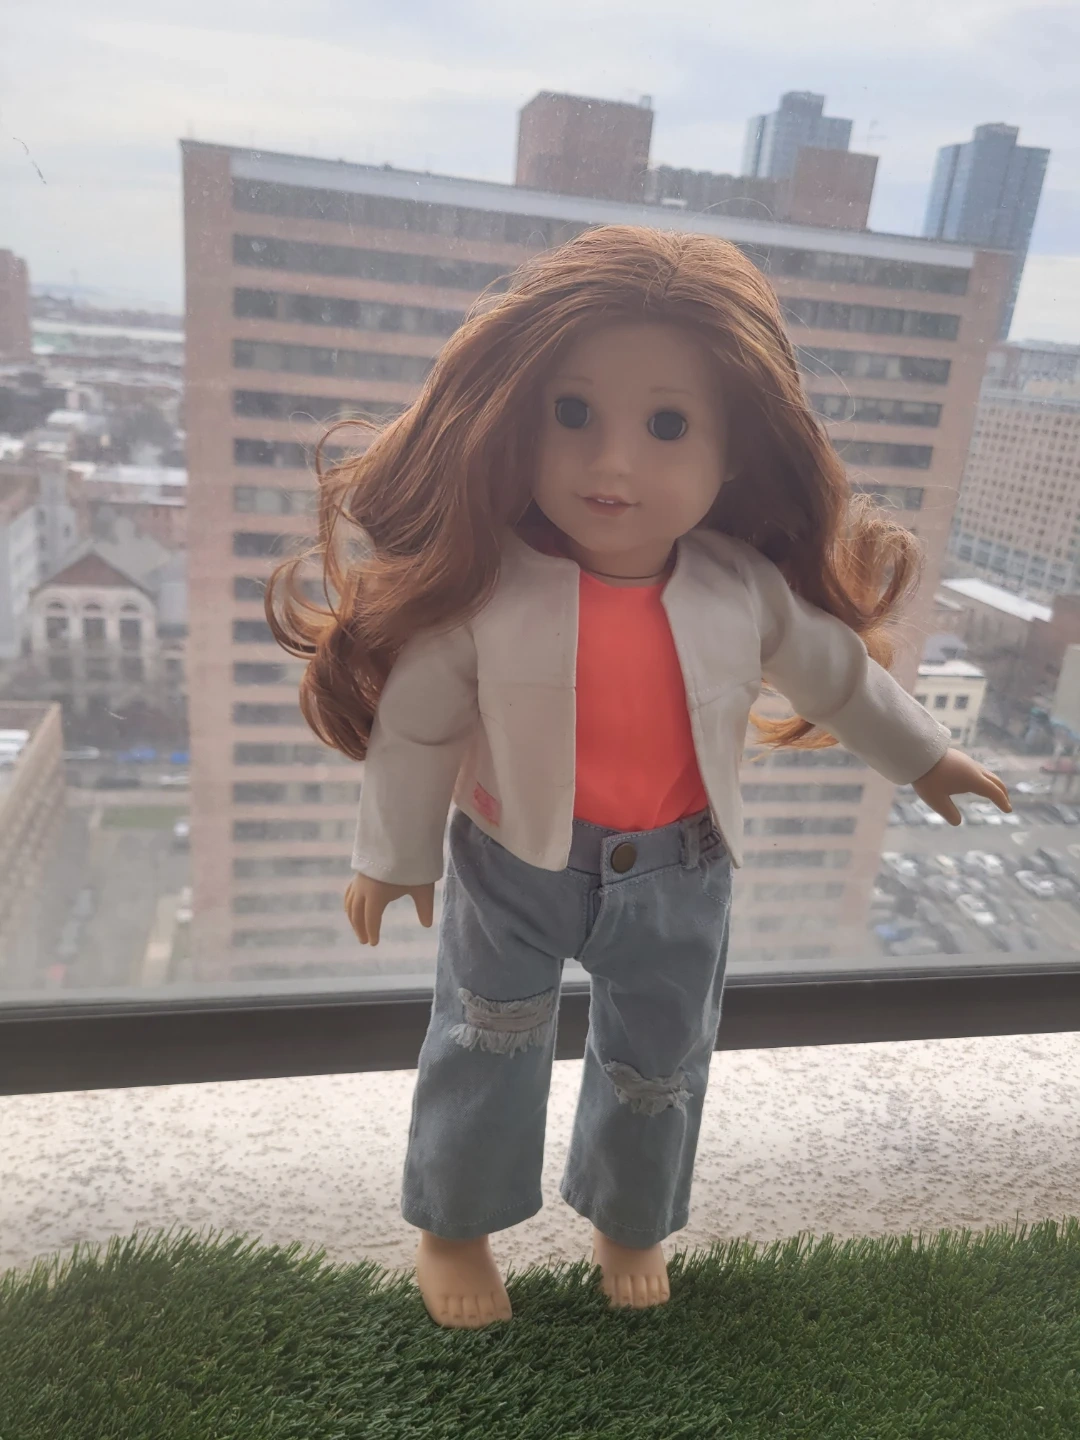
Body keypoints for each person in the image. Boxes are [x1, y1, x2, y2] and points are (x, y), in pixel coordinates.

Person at [267, 224, 1011, 1329]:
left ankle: (631, 1218)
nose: (612, 465)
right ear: (518, 422)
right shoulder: (488, 593)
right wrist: (394, 854)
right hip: (513, 862)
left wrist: (925, 756)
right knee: (484, 1042)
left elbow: (841, 678)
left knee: (662, 1058)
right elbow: (418, 730)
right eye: (572, 414)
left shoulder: (740, 588)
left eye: (668, 425)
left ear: (736, 451)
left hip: (680, 868)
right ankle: (455, 1224)